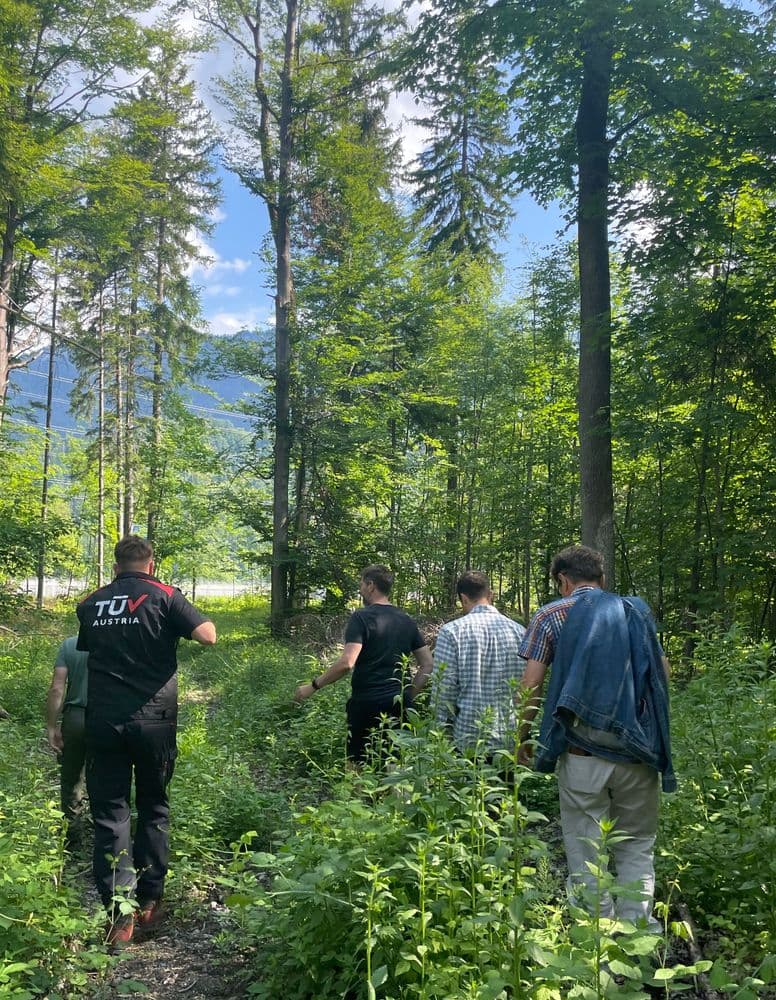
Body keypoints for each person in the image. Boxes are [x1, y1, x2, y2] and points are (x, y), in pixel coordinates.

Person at [517, 544, 674, 929]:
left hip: (581, 755)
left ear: (563, 580)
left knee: (586, 850)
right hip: (638, 753)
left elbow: (532, 684)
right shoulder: (635, 612)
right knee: (637, 845)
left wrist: (522, 738)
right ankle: (637, 934)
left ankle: (596, 935)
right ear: (601, 578)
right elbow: (663, 675)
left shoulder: (550, 615)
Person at [76, 535, 216, 945]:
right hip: (155, 720)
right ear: (151, 564)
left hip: (104, 721)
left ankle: (119, 914)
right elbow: (208, 635)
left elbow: (88, 649)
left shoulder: (92, 603)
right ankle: (150, 901)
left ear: (116, 566)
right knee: (154, 805)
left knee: (110, 814)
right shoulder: (165, 596)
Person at [294, 564, 433, 764]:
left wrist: (313, 686)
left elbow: (347, 662)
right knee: (394, 765)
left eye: (361, 584)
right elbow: (427, 664)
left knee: (356, 764)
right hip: (398, 705)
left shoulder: (361, 618)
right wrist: (408, 696)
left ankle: (357, 786)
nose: (360, 590)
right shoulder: (406, 620)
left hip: (366, 703)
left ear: (370, 585)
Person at [430, 570, 526, 755]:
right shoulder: (520, 632)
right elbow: (526, 687)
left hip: (467, 741)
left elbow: (444, 691)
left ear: (463, 598)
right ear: (490, 595)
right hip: (509, 740)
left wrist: (440, 736)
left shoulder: (451, 632)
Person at [46, 635, 90, 846]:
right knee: (108, 776)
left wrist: (52, 726)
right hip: (109, 717)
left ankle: (73, 839)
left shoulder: (70, 645)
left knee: (71, 778)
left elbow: (57, 688)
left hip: (76, 718)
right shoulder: (117, 639)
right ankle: (109, 837)